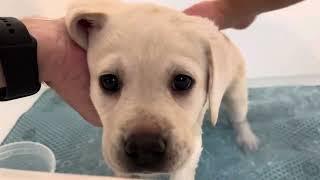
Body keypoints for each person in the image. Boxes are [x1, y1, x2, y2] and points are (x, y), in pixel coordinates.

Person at [0, 0, 304, 126]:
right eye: (111, 82)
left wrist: (230, 7)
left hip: (229, 63)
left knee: (238, 109)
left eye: (181, 82)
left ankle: (240, 126)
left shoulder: (222, 56)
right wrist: (47, 48)